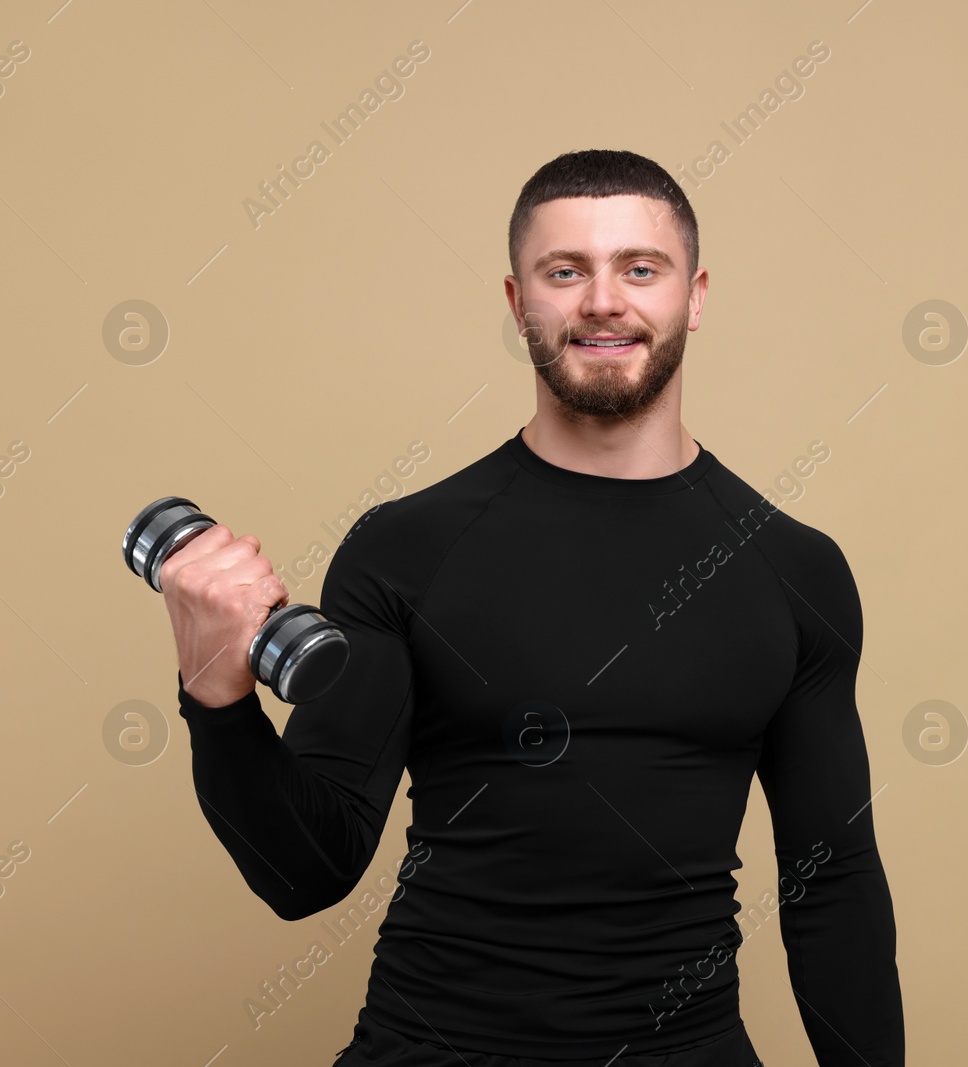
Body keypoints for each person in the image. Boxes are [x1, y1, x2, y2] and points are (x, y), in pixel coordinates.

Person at [163, 149, 904, 1066]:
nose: (603, 301)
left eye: (640, 268)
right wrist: (217, 698)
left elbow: (831, 884)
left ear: (695, 296)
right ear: (519, 305)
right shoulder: (407, 548)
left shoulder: (795, 570)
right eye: (566, 272)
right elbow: (303, 872)